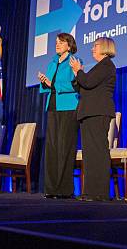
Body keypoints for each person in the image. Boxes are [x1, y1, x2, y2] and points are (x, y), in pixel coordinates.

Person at [70, 37, 116, 201]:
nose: (92, 49)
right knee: (90, 154)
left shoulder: (106, 65)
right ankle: (90, 191)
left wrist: (79, 71)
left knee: (98, 152)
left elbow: (88, 83)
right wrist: (78, 74)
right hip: (89, 112)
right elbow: (82, 87)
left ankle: (100, 192)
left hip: (98, 112)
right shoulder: (99, 67)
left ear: (105, 47)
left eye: (95, 46)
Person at [38, 33, 81, 199]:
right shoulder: (52, 63)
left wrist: (52, 84)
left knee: (65, 148)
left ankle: (64, 190)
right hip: (53, 107)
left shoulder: (74, 61)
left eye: (61, 42)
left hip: (69, 107)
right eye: (56, 42)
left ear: (69, 46)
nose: (57, 44)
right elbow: (48, 87)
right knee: (52, 148)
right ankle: (51, 188)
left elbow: (76, 84)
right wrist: (44, 82)